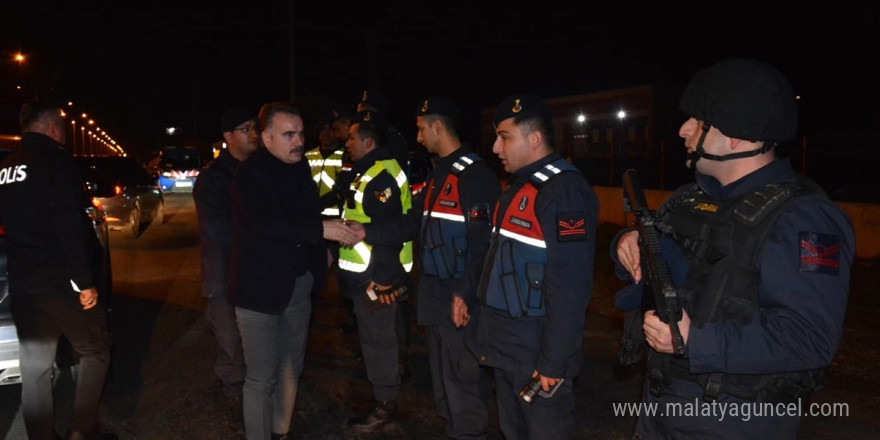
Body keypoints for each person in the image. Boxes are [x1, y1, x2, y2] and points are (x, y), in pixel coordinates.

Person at [612, 58, 855, 439]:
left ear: (738, 136)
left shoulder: (803, 219)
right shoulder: (691, 198)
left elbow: (810, 338)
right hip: (660, 404)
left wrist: (695, 341)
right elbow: (666, 259)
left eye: (698, 121)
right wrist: (627, 243)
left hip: (735, 421)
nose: (683, 130)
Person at [350, 96, 499, 438]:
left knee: (463, 379)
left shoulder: (474, 177)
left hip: (458, 297)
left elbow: (484, 245)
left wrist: (464, 292)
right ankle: (453, 429)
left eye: (420, 129)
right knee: (443, 380)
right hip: (434, 294)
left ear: (436, 127)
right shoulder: (438, 175)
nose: (417, 138)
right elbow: (412, 222)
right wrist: (364, 231)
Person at [228, 101, 356, 440]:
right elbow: (267, 224)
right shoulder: (249, 174)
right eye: (288, 135)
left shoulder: (300, 169)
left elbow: (307, 213)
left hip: (298, 287)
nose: (298, 141)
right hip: (258, 293)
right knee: (260, 377)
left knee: (291, 368)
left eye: (300, 133)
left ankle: (280, 431)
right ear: (266, 137)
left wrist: (323, 251)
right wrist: (321, 230)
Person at [476, 94, 598, 440]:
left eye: (505, 137)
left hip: (537, 353)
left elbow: (571, 286)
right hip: (509, 348)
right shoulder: (519, 188)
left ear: (534, 139)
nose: (497, 148)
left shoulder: (564, 191)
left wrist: (553, 361)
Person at [0, 99, 116, 440]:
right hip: (60, 281)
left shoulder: (8, 167)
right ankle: (82, 429)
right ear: (53, 128)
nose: (63, 134)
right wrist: (85, 282)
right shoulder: (55, 161)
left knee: (35, 367)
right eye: (62, 128)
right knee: (96, 350)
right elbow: (69, 223)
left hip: (23, 283)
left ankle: (41, 435)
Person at [335, 109, 413, 436]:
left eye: (352, 137)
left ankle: (385, 407)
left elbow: (389, 229)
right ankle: (385, 396)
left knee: (378, 342)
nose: (347, 142)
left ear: (368, 141)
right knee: (377, 340)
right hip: (368, 274)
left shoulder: (381, 174)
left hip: (376, 277)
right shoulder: (368, 169)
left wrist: (383, 280)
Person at [192, 105, 259, 433]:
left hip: (256, 269)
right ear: (228, 137)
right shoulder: (215, 178)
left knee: (253, 339)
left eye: (254, 128)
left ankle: (248, 395)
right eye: (244, 129)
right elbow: (218, 230)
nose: (253, 135)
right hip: (225, 272)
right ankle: (234, 400)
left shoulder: (261, 170)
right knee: (230, 337)